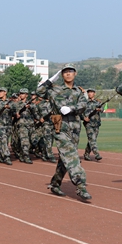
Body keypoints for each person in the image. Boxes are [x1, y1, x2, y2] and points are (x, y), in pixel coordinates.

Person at [37, 64, 91, 200]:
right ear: (61, 75)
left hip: (75, 128)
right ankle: (81, 185)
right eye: (65, 72)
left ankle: (55, 183)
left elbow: (83, 105)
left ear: (75, 73)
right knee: (72, 156)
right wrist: (51, 80)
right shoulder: (54, 90)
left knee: (65, 157)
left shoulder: (78, 91)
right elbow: (39, 91)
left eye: (70, 71)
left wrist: (72, 109)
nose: (68, 74)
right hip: (60, 127)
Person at [82, 88, 103, 161]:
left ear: (94, 93)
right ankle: (97, 154)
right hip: (88, 124)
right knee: (92, 139)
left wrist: (99, 109)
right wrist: (84, 118)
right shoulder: (84, 103)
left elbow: (102, 109)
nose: (90, 94)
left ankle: (86, 153)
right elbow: (80, 112)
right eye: (88, 92)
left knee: (92, 140)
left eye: (91, 92)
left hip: (96, 123)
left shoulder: (98, 102)